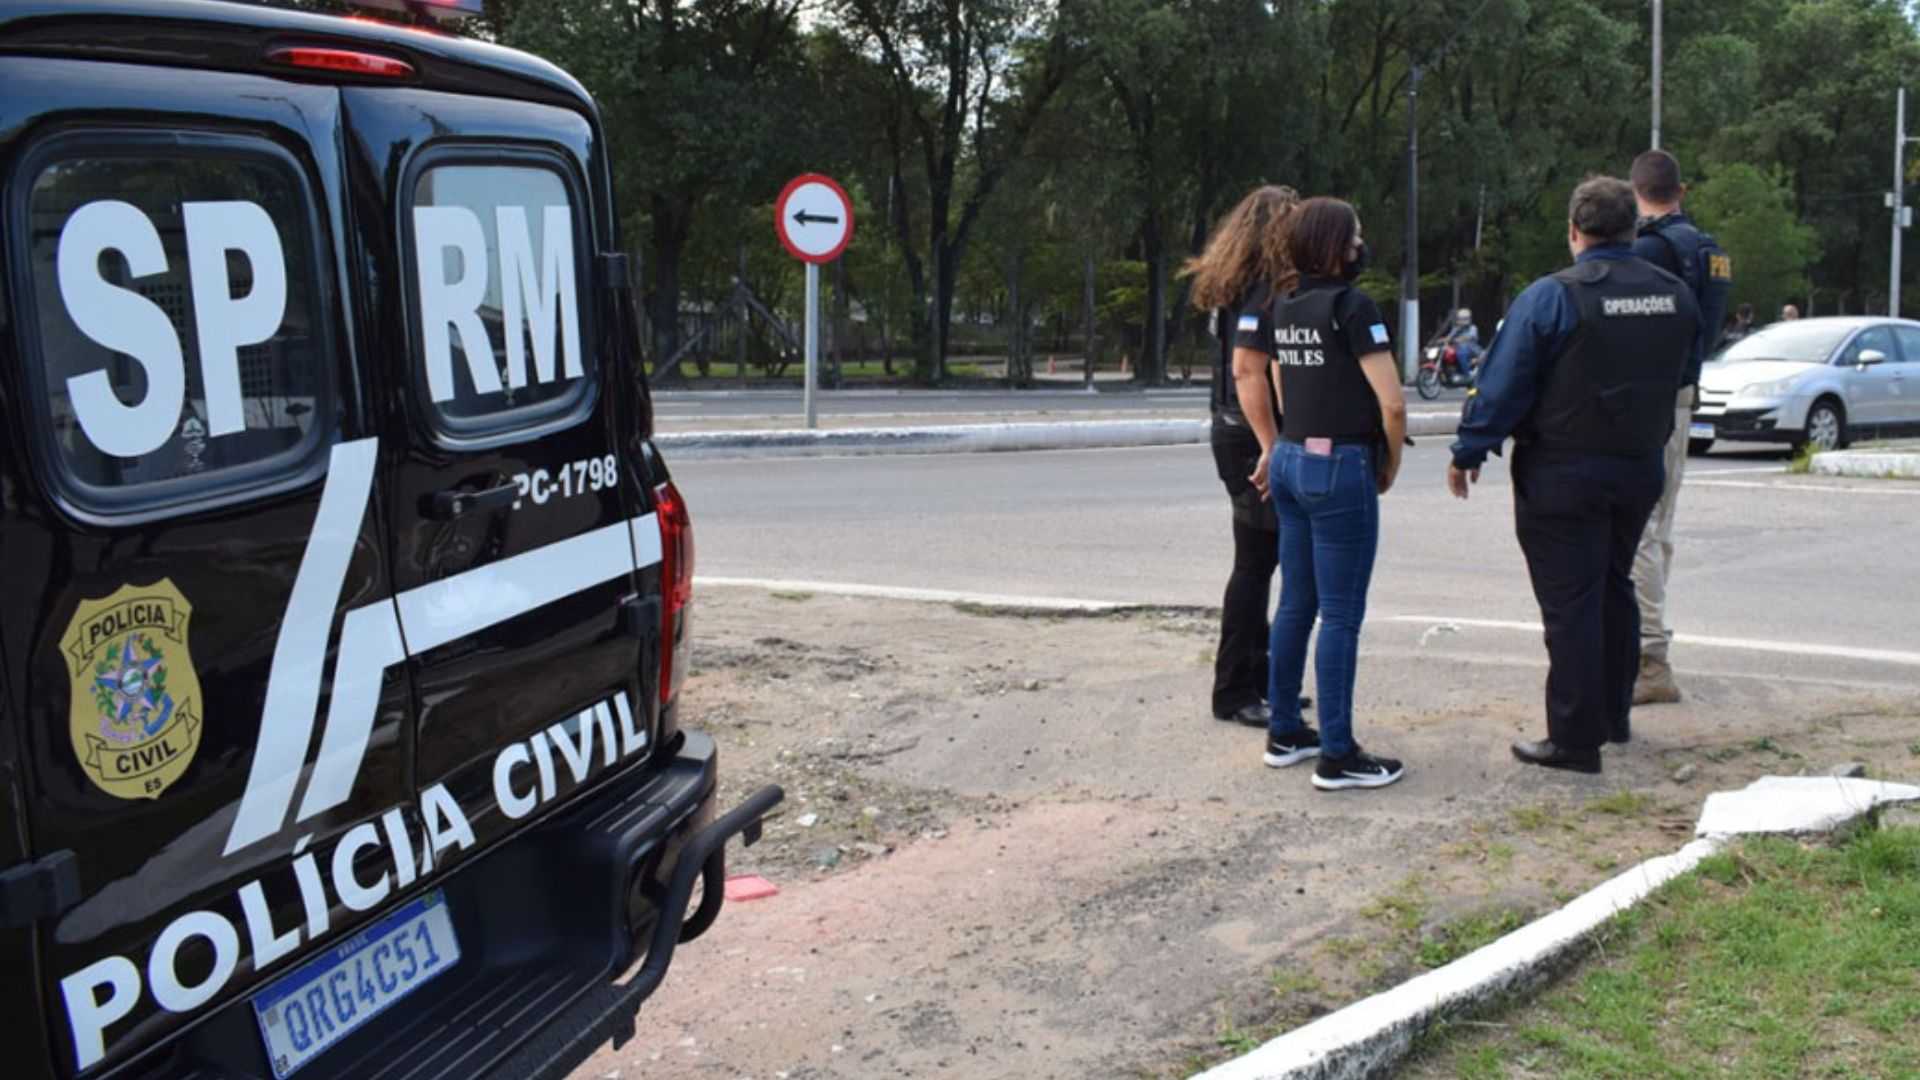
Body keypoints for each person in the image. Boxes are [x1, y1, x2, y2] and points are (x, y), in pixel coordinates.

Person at [1447, 176, 1697, 773]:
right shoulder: (1674, 293)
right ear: (1634, 229)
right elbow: (1685, 368)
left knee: (1571, 604)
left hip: (1564, 468)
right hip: (1638, 465)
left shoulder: (1553, 296)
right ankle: (1613, 717)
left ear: (1574, 231)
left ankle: (1574, 739)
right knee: (1616, 588)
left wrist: (1469, 449)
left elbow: (1505, 383)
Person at [1256, 197, 1408, 791]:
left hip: (1293, 456)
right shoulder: (1353, 306)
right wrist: (1389, 463)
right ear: (1333, 245)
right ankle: (1339, 755)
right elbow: (1392, 401)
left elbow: (1274, 374)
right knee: (1341, 614)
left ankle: (1286, 730)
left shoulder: (1285, 302)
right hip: (1338, 462)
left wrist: (1298, 427)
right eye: (1355, 236)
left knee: (1296, 602)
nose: (1360, 246)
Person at [1183, 185, 1305, 726]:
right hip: (1249, 435)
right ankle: (1235, 690)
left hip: (1233, 430)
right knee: (1255, 565)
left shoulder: (1234, 286)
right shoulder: (1262, 292)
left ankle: (1258, 679)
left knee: (1259, 562)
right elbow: (1247, 371)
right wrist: (1271, 446)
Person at [1627, 149, 1725, 706]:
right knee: (1659, 529)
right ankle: (1650, 648)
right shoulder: (1708, 249)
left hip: (1652, 400)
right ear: (1680, 190)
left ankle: (1649, 660)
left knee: (1640, 531)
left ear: (1633, 191)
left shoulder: (1651, 250)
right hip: (1685, 395)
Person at [1445, 307, 1482, 378]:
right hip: (1458, 348)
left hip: (1472, 349)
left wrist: (1459, 339)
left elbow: (1470, 336)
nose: (1462, 321)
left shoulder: (1473, 328)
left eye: (1464, 319)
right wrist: (1440, 341)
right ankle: (1451, 373)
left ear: (1469, 319)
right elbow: (1449, 337)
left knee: (1461, 353)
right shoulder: (1457, 329)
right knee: (1448, 353)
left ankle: (1466, 375)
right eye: (1460, 319)